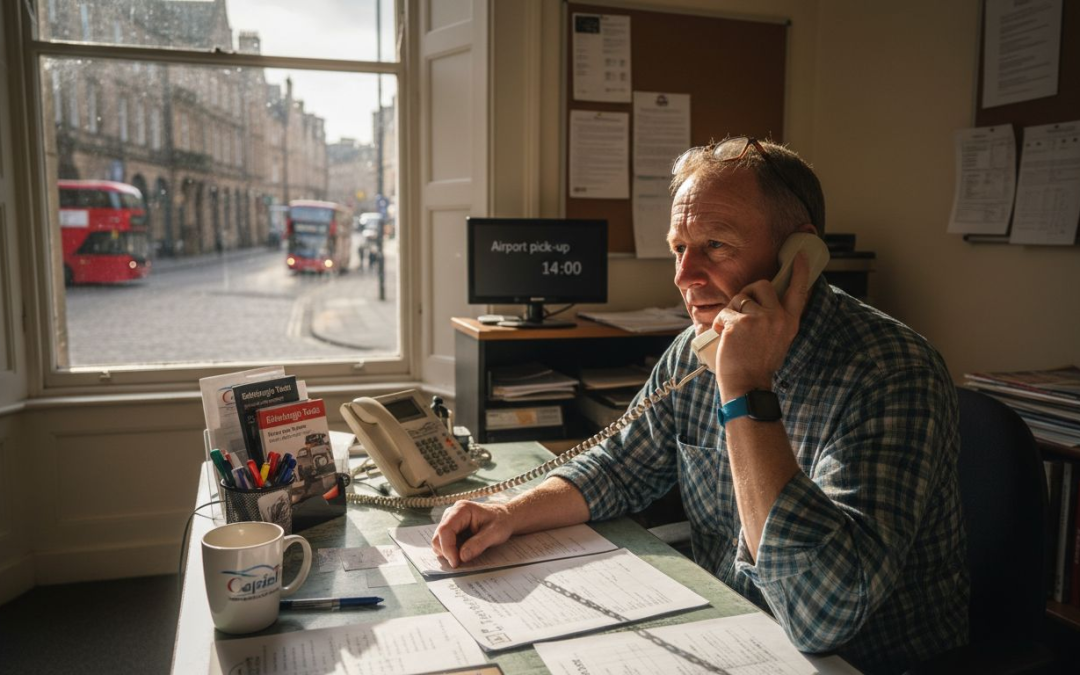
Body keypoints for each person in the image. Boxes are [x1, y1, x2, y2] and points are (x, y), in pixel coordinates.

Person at [431, 137, 969, 674]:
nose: (684, 276)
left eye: (715, 245)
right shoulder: (694, 352)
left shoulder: (890, 372)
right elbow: (619, 464)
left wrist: (745, 387)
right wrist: (507, 512)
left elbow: (819, 619)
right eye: (678, 248)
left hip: (866, 661)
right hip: (733, 633)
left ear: (798, 254)